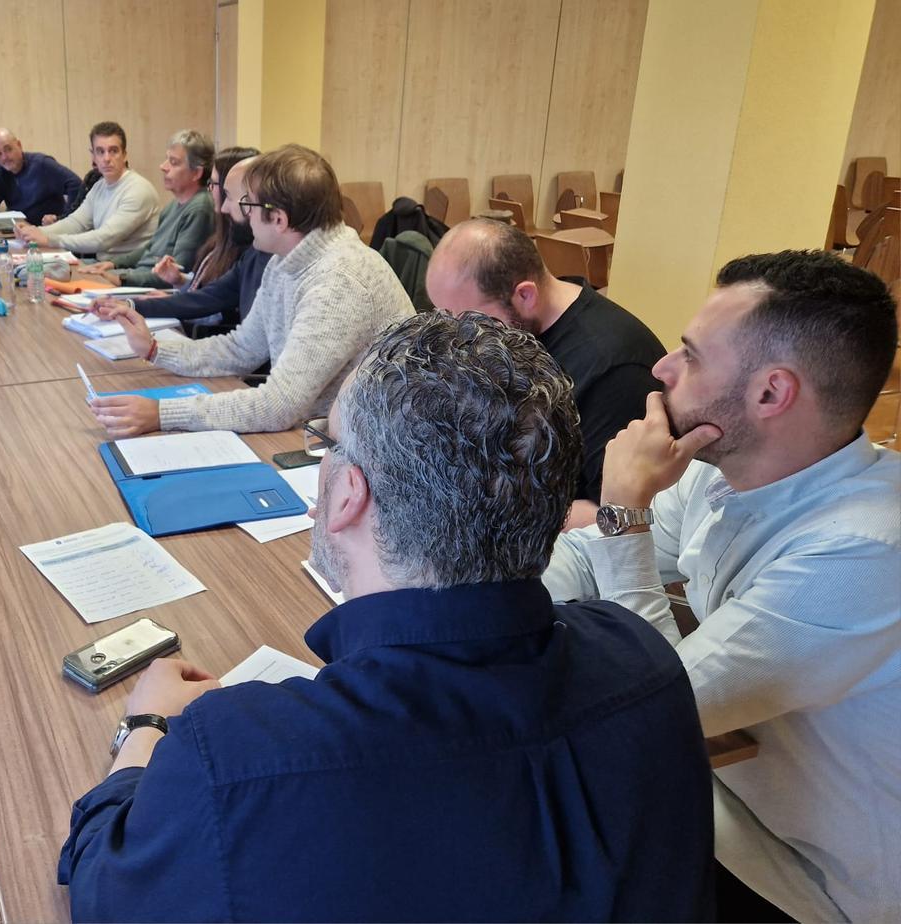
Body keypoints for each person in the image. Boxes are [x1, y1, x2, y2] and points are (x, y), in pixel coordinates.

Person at [58, 312, 716, 922]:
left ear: (347, 493)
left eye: (327, 445)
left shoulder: (235, 757)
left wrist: (145, 728)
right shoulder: (648, 663)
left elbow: (101, 884)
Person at [542, 250, 901, 922]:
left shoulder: (862, 552)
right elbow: (589, 557)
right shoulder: (722, 466)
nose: (661, 369)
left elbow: (655, 706)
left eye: (691, 354)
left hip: (803, 877)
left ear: (770, 394)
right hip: (727, 791)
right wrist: (504, 607)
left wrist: (624, 512)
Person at [89, 144, 414, 436]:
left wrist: (163, 414)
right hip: (322, 433)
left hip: (363, 448)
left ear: (279, 219)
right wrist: (156, 350)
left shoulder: (338, 282)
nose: (235, 212)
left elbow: (279, 406)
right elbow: (243, 349)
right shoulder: (284, 262)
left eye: (248, 204)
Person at [426, 219, 665, 528]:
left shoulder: (614, 370)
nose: (459, 337)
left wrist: (486, 510)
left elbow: (615, 511)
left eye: (468, 321)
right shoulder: (510, 331)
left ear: (525, 296)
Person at [96, 148, 268, 330]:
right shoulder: (233, 240)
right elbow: (210, 294)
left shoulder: (207, 214)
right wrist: (178, 283)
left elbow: (219, 310)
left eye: (215, 185)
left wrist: (125, 282)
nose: (163, 167)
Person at [77, 129, 216, 289]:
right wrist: (112, 264)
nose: (163, 167)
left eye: (174, 162)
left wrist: (122, 278)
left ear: (196, 173)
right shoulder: (174, 205)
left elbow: (174, 276)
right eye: (166, 159)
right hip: (139, 277)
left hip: (151, 289)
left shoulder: (200, 209)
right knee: (79, 272)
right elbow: (151, 247)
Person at [15, 121, 158, 258]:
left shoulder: (138, 190)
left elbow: (104, 238)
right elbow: (76, 223)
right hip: (102, 264)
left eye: (113, 151)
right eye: (100, 151)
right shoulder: (99, 186)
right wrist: (34, 232)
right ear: (93, 156)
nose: (107, 158)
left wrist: (50, 240)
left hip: (127, 271)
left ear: (125, 155)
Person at [0, 127, 82, 225]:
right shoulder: (1, 171)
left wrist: (64, 219)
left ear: (19, 145)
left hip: (45, 230)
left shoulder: (42, 164)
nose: (4, 157)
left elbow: (76, 184)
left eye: (8, 149)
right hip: (20, 230)